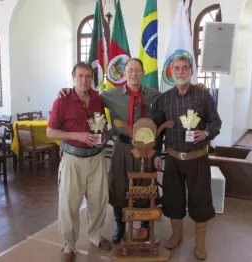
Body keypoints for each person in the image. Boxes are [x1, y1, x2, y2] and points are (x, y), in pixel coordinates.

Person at [57, 58, 161, 244]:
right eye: (130, 71)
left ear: (143, 73)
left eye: (137, 71)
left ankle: (145, 226)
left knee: (146, 186)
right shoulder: (109, 94)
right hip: (122, 146)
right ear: (124, 74)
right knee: (118, 185)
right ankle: (120, 226)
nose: (134, 74)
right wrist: (66, 89)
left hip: (146, 148)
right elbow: (85, 91)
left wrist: (200, 87)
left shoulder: (155, 95)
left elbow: (172, 100)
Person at [151, 54, 222, 260]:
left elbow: (216, 122)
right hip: (173, 158)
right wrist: (156, 153)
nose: (180, 72)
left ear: (191, 71)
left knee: (200, 199)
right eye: (176, 68)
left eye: (184, 68)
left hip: (198, 157)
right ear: (171, 72)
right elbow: (157, 130)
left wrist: (206, 133)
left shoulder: (203, 96)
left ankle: (200, 242)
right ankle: (177, 234)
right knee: (173, 198)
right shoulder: (164, 99)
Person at [47, 61, 112, 262]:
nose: (84, 80)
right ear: (73, 78)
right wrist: (79, 135)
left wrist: (101, 133)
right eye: (79, 76)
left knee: (99, 200)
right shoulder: (62, 100)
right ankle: (69, 244)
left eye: (87, 76)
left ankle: (95, 236)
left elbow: (102, 124)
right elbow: (50, 132)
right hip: (72, 160)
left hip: (96, 159)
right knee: (69, 204)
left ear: (91, 78)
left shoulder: (97, 99)